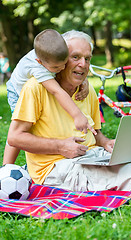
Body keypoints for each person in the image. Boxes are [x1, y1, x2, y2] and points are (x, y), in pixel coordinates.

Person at [4, 30, 131, 194]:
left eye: (87, 58)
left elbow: (95, 134)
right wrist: (60, 146)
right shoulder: (35, 88)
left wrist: (105, 142)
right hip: (56, 167)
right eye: (76, 57)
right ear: (62, 59)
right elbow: (15, 137)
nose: (83, 64)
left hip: (93, 156)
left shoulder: (87, 90)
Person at [3, 29, 96, 165]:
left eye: (65, 63)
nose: (63, 67)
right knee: (21, 127)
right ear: (40, 62)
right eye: (57, 67)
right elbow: (57, 91)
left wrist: (84, 81)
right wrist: (77, 115)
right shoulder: (38, 69)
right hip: (16, 90)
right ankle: (7, 167)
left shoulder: (53, 52)